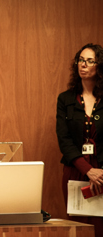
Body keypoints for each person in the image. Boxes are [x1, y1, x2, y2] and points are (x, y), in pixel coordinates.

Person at [56, 43, 103, 234]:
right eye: (81, 60)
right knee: (80, 229)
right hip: (75, 171)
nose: (83, 64)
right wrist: (88, 170)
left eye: (90, 61)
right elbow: (64, 139)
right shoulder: (65, 99)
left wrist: (98, 172)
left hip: (102, 173)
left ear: (99, 66)